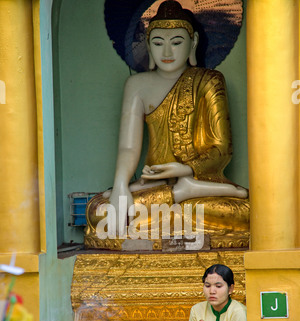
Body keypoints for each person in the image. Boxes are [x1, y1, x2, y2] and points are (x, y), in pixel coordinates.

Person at [85, 1, 249, 248]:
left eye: (177, 42)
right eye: (159, 43)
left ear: (192, 43)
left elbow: (221, 149)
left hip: (205, 187)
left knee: (243, 211)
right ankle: (185, 191)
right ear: (149, 46)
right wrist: (120, 186)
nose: (167, 52)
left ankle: (191, 190)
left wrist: (183, 169)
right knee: (99, 211)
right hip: (156, 184)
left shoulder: (210, 80)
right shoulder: (137, 85)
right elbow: (128, 148)